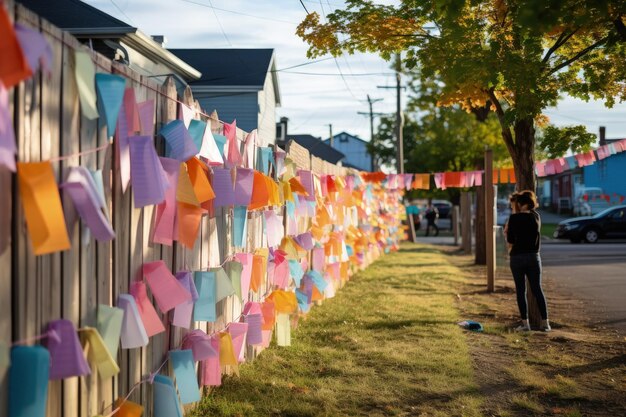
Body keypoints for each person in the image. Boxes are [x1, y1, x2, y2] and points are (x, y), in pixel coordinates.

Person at [506, 190, 551, 332]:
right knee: (537, 289)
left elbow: (510, 240)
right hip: (533, 257)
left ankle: (525, 324)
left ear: (520, 204)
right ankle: (545, 323)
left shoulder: (514, 219)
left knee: (521, 291)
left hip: (517, 257)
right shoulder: (536, 217)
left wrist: (508, 229)